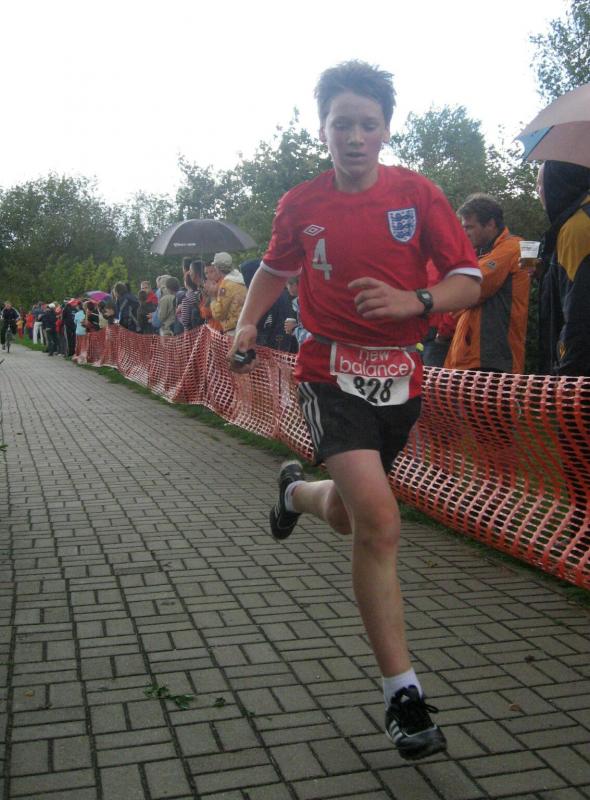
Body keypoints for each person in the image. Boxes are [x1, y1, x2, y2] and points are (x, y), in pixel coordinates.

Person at [229, 61, 480, 761]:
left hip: (400, 378)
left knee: (348, 514)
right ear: (323, 130)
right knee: (381, 521)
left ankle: (295, 493)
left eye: (369, 124)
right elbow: (276, 269)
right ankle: (403, 695)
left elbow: (468, 279)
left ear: (386, 130)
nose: (356, 136)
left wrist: (414, 301)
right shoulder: (300, 203)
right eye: (342, 124)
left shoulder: (418, 195)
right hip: (328, 374)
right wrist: (248, 321)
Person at [442, 194, 528, 373]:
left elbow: (472, 287)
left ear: (490, 224)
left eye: (469, 227)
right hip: (472, 355)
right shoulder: (480, 252)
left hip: (493, 356)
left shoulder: (512, 247)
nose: (465, 232)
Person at [536, 161, 590, 377]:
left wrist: (566, 375)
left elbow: (579, 307)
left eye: (541, 184)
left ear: (559, 184)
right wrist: (547, 274)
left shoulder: (577, 227)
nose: (538, 192)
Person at [208, 252, 247, 335]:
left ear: (217, 268)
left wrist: (213, 297)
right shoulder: (240, 278)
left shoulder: (226, 285)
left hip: (233, 330)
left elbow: (219, 314)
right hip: (244, 324)